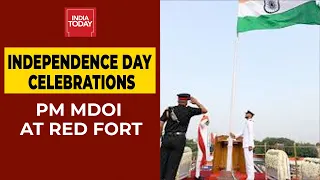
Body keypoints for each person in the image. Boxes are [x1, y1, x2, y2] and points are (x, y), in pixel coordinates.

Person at [160, 93, 208, 180]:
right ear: (187, 101)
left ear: (178, 100)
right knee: (172, 166)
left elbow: (160, 124)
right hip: (179, 139)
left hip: (167, 138)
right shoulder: (189, 110)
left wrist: (160, 136)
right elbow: (204, 110)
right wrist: (196, 102)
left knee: (161, 164)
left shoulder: (169, 110)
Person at [230, 110, 255, 180]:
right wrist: (235, 136)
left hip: (248, 145)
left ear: (250, 115)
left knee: (249, 162)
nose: (245, 114)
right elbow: (242, 132)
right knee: (247, 162)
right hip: (246, 145)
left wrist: (251, 145)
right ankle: (249, 177)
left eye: (247, 113)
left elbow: (251, 133)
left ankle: (251, 178)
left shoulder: (250, 122)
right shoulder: (247, 122)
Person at [195, 115, 210, 180]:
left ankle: (197, 175)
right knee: (199, 159)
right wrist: (206, 119)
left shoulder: (205, 127)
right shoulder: (202, 125)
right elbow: (201, 123)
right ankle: (197, 176)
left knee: (200, 159)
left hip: (203, 143)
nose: (208, 122)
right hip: (202, 144)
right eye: (207, 121)